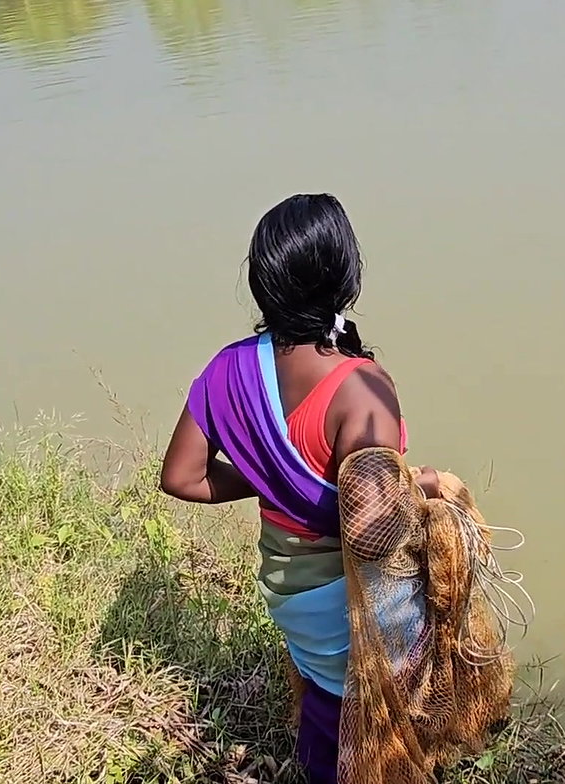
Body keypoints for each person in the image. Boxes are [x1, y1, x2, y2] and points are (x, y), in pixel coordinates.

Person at [159, 193, 439, 782]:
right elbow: (374, 536)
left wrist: (269, 474)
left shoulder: (227, 369)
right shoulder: (361, 389)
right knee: (379, 725)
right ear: (345, 278)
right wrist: (427, 491)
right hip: (350, 605)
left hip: (289, 596)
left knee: (325, 698)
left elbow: (182, 478)